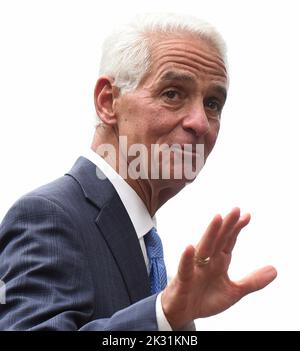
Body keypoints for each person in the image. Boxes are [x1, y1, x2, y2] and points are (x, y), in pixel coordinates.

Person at [0, 13, 277, 331]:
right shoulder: (47, 216)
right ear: (108, 102)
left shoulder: (144, 244)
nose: (200, 122)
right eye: (172, 94)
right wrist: (162, 317)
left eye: (213, 103)